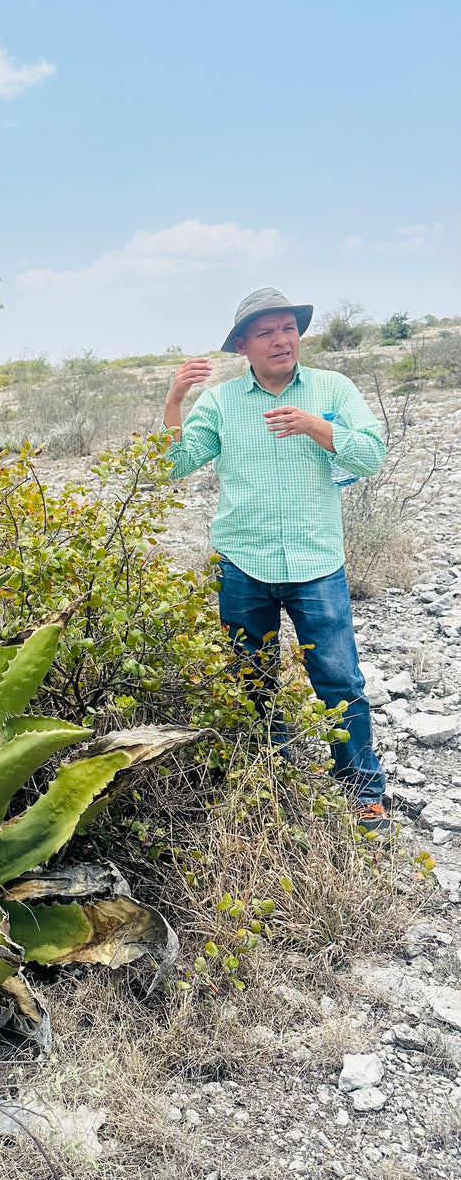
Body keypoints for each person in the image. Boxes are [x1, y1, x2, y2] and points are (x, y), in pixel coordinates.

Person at [162, 287, 390, 834]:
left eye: (288, 327)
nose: (281, 339)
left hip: (317, 562)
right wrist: (174, 403)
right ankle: (274, 780)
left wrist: (316, 426)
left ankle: (363, 792)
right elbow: (175, 465)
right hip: (243, 562)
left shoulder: (334, 389)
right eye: (265, 332)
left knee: (339, 681)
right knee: (251, 680)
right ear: (243, 345)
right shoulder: (220, 402)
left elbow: (373, 454)